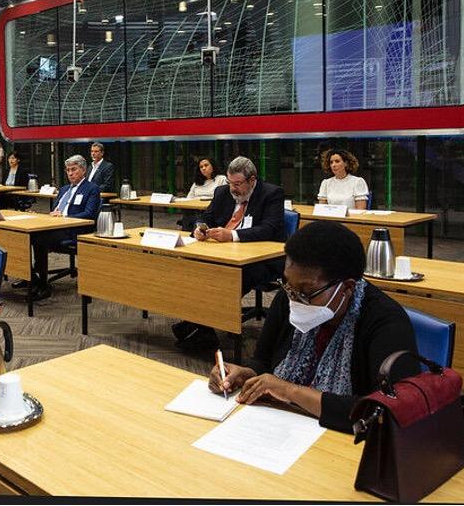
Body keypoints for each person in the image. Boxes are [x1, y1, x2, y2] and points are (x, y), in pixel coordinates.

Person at [208, 221, 419, 433]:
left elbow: (389, 410)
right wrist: (247, 373)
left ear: (346, 288)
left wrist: (291, 391)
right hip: (283, 424)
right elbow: (264, 359)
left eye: (306, 291)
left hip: (348, 439)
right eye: (288, 285)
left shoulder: (385, 321)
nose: (295, 300)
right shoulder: (288, 297)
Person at [175, 156, 286, 351]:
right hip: (222, 253)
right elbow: (204, 217)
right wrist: (199, 229)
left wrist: (233, 235)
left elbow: (269, 229)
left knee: (226, 277)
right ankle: (203, 326)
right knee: (192, 269)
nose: (233, 188)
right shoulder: (222, 192)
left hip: (261, 259)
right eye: (229, 182)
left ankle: (200, 326)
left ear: (252, 180)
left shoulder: (272, 193)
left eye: (237, 184)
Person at [25, 155, 101, 301]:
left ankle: (42, 285)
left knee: (38, 238)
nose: (70, 173)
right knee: (25, 236)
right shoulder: (64, 189)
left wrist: (64, 218)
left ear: (83, 170)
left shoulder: (92, 189)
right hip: (56, 227)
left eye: (74, 169)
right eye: (68, 170)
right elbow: (56, 211)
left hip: (74, 231)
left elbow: (89, 214)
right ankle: (30, 276)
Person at [181, 157, 227, 232]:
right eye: (201, 167)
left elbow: (223, 198)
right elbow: (189, 198)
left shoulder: (221, 179)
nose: (203, 168)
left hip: (212, 211)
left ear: (213, 166)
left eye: (206, 165)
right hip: (195, 210)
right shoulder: (197, 182)